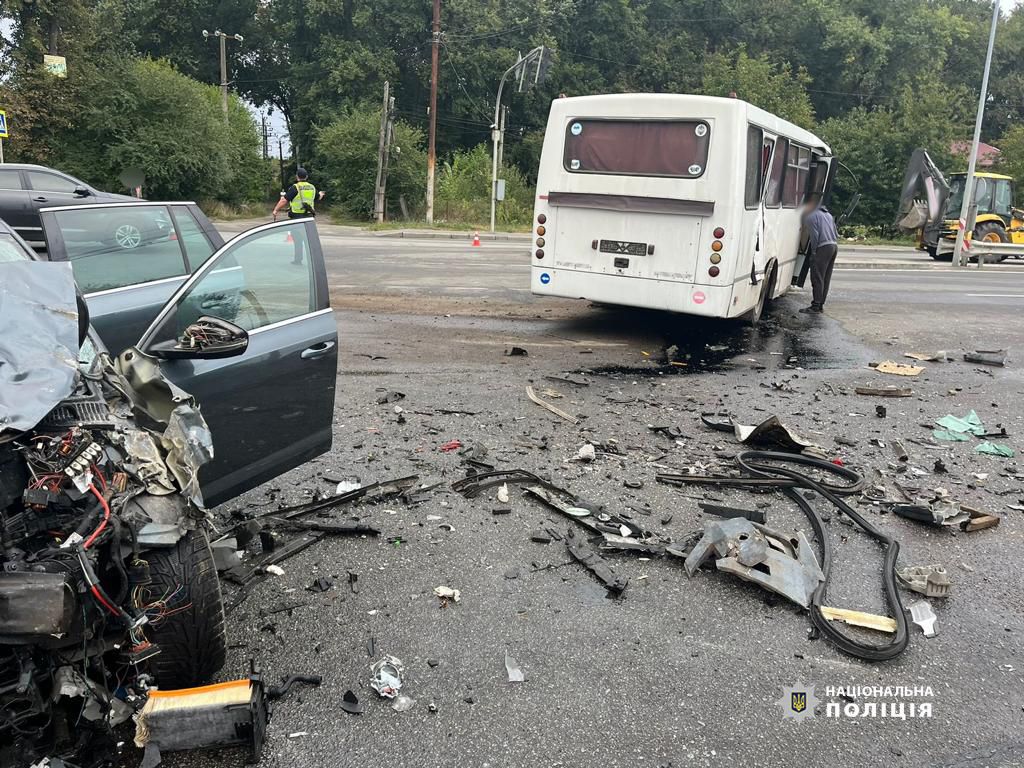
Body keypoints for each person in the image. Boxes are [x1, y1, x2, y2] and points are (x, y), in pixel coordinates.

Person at [272, 167, 325, 264]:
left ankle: (298, 259)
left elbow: (284, 200)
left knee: (298, 239)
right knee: (309, 240)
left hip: (296, 218)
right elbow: (318, 197)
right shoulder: (312, 187)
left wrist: (276, 210)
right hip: (309, 217)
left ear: (297, 177)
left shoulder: (295, 187)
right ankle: (313, 262)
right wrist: (321, 194)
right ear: (307, 177)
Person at [800, 199, 839, 314]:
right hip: (834, 246)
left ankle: (815, 306)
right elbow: (836, 233)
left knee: (817, 277)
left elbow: (814, 236)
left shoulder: (811, 217)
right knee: (826, 278)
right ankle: (820, 304)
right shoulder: (829, 215)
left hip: (823, 247)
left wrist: (813, 252)